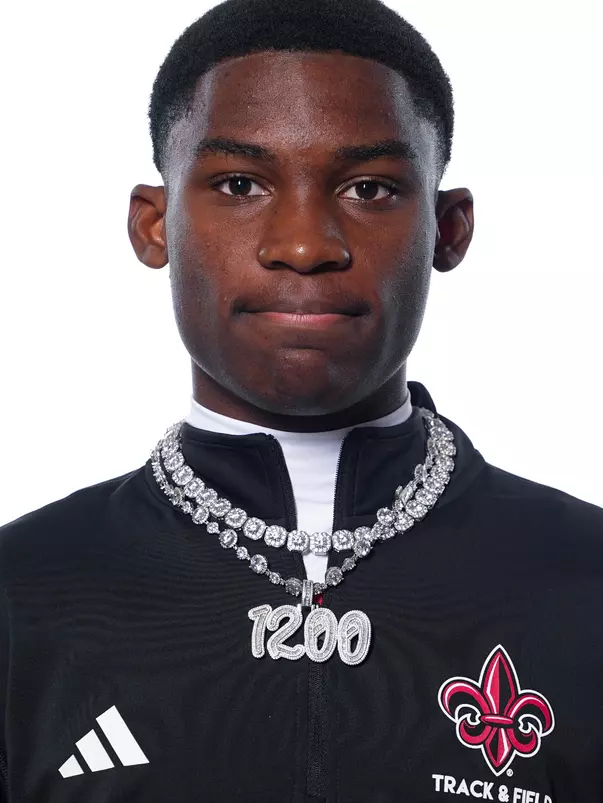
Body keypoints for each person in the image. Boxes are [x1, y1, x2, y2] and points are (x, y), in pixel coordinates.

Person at [1, 0, 602, 800]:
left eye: (370, 188)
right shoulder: (22, 591)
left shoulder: (583, 576)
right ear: (155, 225)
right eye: (240, 183)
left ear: (448, 229)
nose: (304, 244)